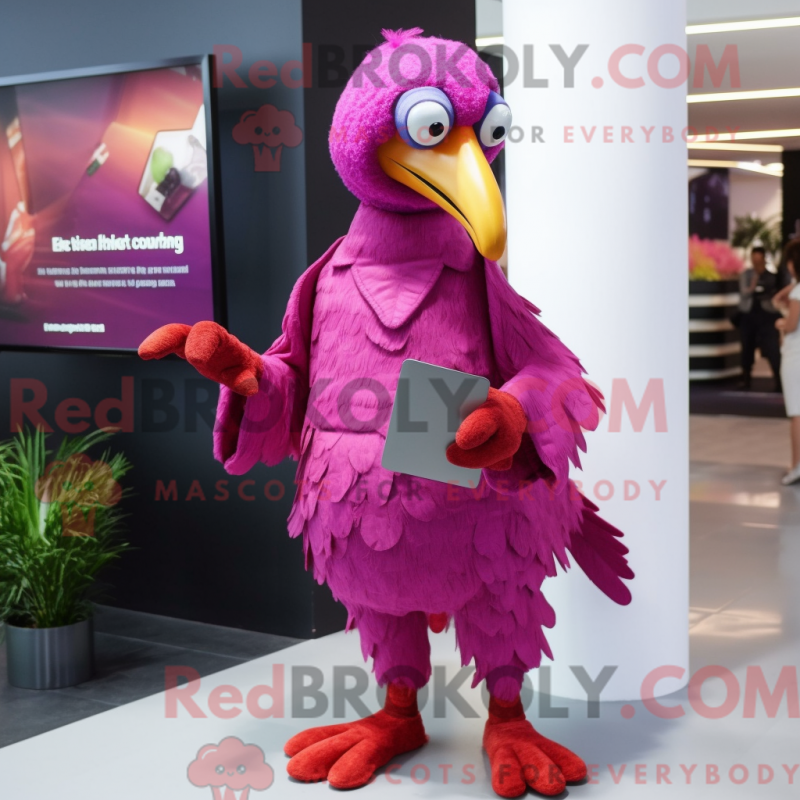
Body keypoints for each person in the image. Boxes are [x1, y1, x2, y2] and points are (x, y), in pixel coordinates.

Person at [738, 242, 782, 391]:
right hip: (749, 315)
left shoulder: (772, 276)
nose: (756, 263)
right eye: (754, 260)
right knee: (747, 347)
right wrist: (753, 285)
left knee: (772, 347)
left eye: (759, 260)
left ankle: (778, 380)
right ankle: (745, 379)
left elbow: (775, 295)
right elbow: (743, 293)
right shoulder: (746, 275)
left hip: (767, 315)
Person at [776, 238, 800, 484]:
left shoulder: (797, 292)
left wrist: (781, 323)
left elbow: (791, 325)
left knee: (796, 413)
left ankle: (796, 465)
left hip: (795, 357)